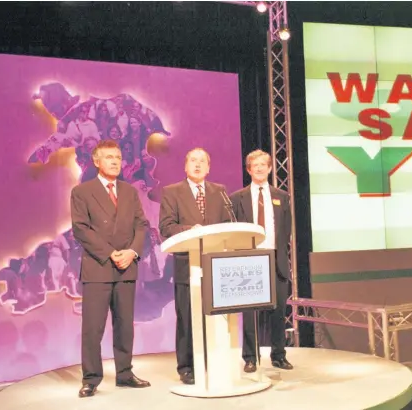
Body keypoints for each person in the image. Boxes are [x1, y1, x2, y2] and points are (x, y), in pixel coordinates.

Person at [70, 139, 151, 398]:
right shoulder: (82, 192)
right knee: (93, 327)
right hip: (98, 267)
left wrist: (132, 252)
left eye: (118, 156)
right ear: (96, 161)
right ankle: (91, 378)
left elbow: (142, 225)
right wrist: (110, 253)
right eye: (109, 157)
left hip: (127, 266)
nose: (115, 161)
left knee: (125, 324)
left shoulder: (129, 191)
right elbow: (80, 229)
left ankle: (125, 373)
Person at [158, 148, 231, 385]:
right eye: (193, 161)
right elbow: (166, 226)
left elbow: (229, 223)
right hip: (186, 265)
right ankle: (187, 366)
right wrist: (190, 230)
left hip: (216, 266)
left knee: (215, 316)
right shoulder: (172, 192)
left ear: (208, 168)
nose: (197, 165)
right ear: (185, 166)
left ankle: (213, 360)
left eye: (202, 161)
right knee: (188, 318)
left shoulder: (219, 192)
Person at [229, 149, 294, 373]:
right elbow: (234, 229)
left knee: (278, 311)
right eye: (254, 165)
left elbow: (286, 230)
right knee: (250, 314)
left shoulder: (281, 196)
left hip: (275, 260)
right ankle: (250, 357)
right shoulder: (237, 198)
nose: (258, 168)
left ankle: (278, 355)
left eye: (263, 164)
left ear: (269, 168)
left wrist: (276, 252)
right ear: (248, 169)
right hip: (249, 262)